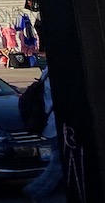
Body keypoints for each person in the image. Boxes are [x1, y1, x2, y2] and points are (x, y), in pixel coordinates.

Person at [23, 68, 61, 201]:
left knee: (58, 161)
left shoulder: (47, 71)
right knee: (59, 162)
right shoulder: (57, 71)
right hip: (55, 125)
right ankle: (35, 190)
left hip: (51, 124)